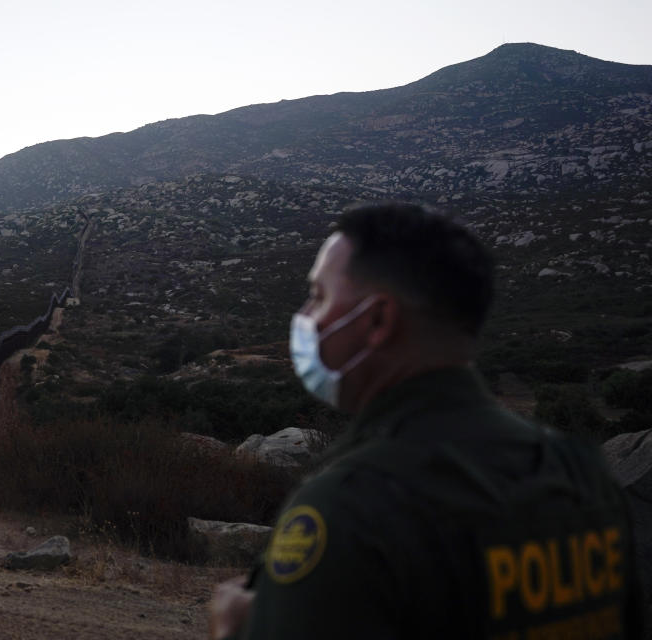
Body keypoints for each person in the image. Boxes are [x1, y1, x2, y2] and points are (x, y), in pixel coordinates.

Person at [209, 202, 644, 639]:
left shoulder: (352, 509)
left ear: (377, 320)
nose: (305, 316)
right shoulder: (585, 475)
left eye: (319, 296)